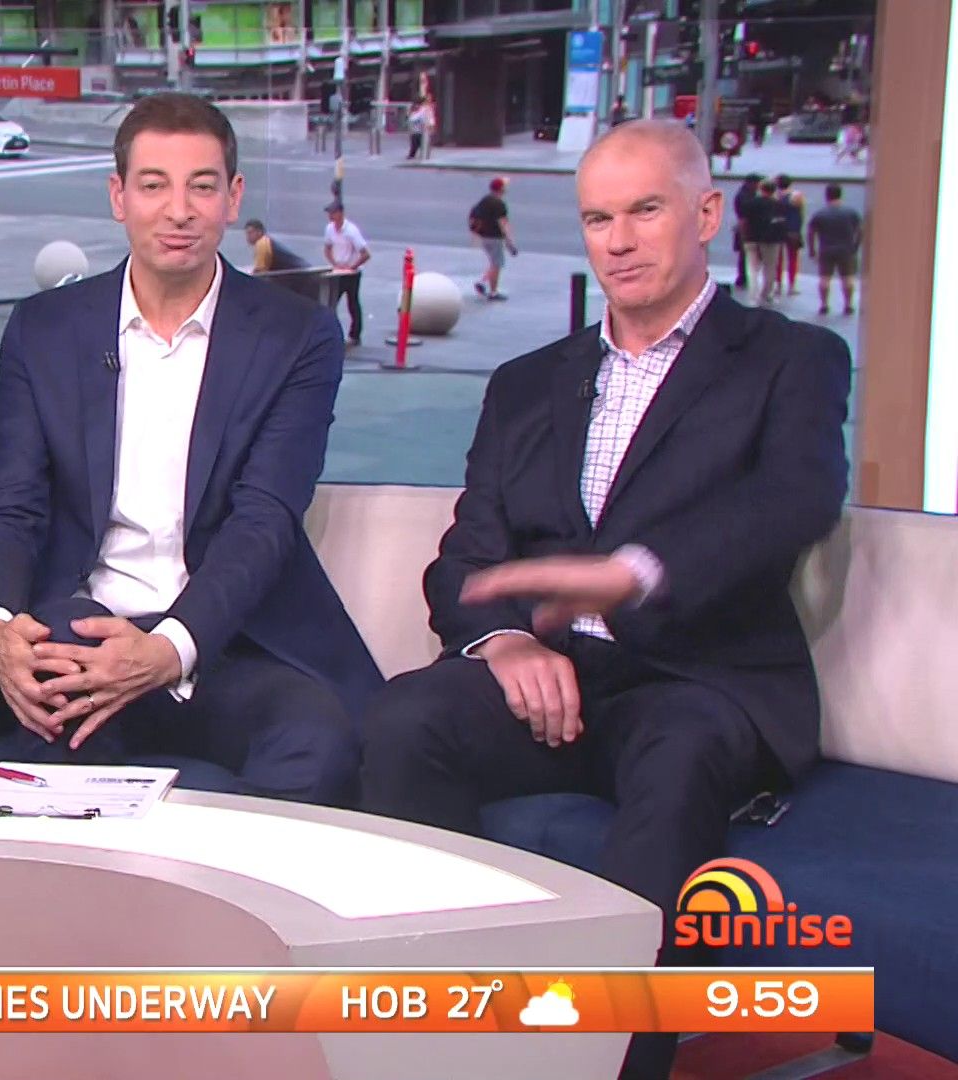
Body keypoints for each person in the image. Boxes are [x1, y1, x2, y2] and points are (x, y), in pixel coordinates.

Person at [359, 119, 851, 1080]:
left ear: (706, 214)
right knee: (404, 718)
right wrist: (502, 641)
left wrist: (640, 571)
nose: (618, 241)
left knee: (679, 765)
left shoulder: (790, 359)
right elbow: (468, 558)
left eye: (644, 211)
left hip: (695, 680)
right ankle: (442, 1044)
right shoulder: (527, 384)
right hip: (548, 679)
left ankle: (606, 1062)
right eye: (597, 219)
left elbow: (797, 499)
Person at [0, 92, 382, 806]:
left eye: (202, 186)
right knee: (51, 699)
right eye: (154, 185)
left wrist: (168, 650)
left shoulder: (296, 336)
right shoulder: (45, 328)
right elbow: (9, 506)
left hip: (229, 641)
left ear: (232, 198)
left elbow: (265, 517)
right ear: (119, 196)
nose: (178, 210)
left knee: (318, 744)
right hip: (85, 628)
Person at [807, 182, 862, 317]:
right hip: (846, 249)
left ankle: (824, 305)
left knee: (824, 279)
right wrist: (855, 246)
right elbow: (860, 231)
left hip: (826, 249)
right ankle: (848, 305)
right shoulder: (851, 213)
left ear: (827, 196)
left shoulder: (820, 214)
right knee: (847, 279)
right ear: (840, 195)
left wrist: (812, 250)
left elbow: (811, 233)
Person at [320, 201, 371, 346]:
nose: (330, 216)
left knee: (352, 303)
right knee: (331, 302)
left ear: (340, 213)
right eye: (329, 213)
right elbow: (327, 247)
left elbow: (366, 254)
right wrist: (334, 263)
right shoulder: (329, 228)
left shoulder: (351, 231)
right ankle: (332, 333)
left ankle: (355, 335)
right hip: (337, 272)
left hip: (352, 273)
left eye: (333, 213)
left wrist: (352, 267)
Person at [469, 176, 517, 300]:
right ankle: (493, 292)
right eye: (504, 186)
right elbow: (503, 224)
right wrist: (510, 243)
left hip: (484, 237)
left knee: (493, 262)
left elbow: (474, 216)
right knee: (497, 264)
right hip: (495, 238)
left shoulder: (485, 200)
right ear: (501, 189)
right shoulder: (499, 204)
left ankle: (483, 282)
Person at [743, 178, 787, 304]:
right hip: (771, 240)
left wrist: (744, 237)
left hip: (752, 238)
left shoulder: (751, 203)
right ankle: (766, 294)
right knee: (770, 268)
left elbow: (745, 221)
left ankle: (753, 296)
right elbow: (782, 223)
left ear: (761, 189)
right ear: (774, 190)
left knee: (752, 269)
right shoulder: (779, 205)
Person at [730, 172, 763, 291]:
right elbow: (745, 214)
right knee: (745, 254)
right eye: (757, 183)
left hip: (747, 227)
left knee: (745, 254)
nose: (759, 185)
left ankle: (744, 277)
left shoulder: (747, 194)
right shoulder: (744, 196)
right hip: (746, 228)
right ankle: (743, 278)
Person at [243, 217, 308, 276]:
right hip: (305, 272)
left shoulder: (262, 243)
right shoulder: (266, 241)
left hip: (303, 276)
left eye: (250, 233)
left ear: (259, 232)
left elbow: (259, 273)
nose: (247, 237)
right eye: (246, 233)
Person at [775, 174, 805, 297]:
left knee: (778, 258)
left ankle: (778, 285)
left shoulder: (775, 196)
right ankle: (792, 286)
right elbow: (801, 213)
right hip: (792, 230)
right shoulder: (796, 196)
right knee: (793, 258)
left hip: (778, 229)